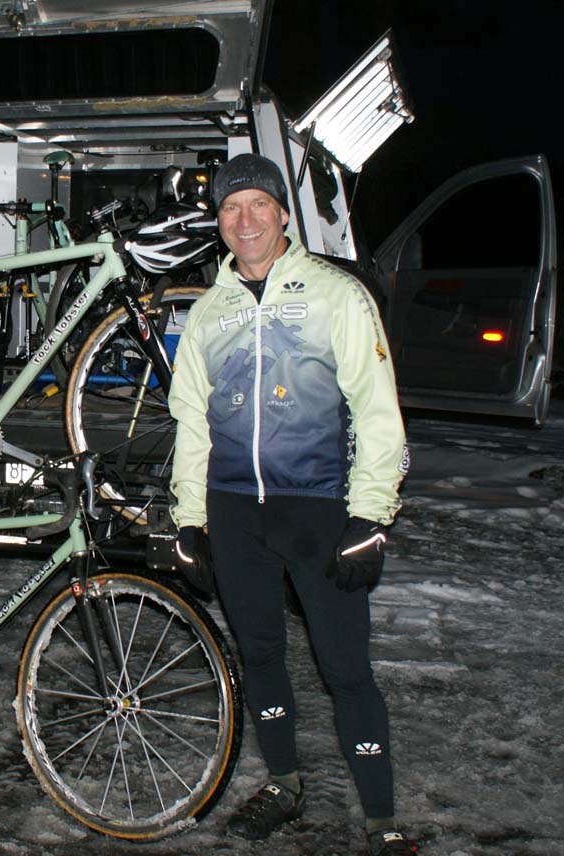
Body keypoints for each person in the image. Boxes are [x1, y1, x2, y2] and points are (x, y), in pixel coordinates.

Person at [168, 153, 416, 855]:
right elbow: (192, 420)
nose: (244, 220)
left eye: (257, 205)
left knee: (345, 669)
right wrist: (190, 516)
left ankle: (382, 819)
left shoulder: (338, 295)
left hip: (317, 510)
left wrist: (371, 513)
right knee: (261, 656)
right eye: (230, 208)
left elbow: (377, 410)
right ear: (219, 223)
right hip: (235, 513)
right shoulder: (207, 312)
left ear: (282, 214)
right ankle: (283, 783)